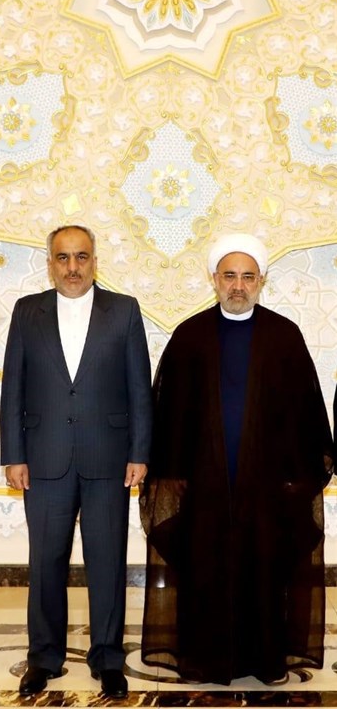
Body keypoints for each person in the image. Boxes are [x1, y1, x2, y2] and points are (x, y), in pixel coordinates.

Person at [140, 232, 334, 686]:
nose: (238, 285)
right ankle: (205, 660)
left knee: (262, 572)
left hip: (264, 485)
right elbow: (168, 409)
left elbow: (306, 411)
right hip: (204, 484)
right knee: (205, 572)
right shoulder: (190, 336)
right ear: (214, 279)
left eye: (248, 276)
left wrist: (297, 476)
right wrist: (172, 472)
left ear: (262, 280)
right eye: (229, 275)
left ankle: (262, 660)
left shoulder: (284, 336)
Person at [0, 224, 152, 698]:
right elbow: (13, 388)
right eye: (63, 258)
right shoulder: (27, 311)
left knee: (107, 563)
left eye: (81, 257)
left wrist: (140, 453)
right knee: (45, 563)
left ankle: (108, 658)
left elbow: (139, 388)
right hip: (43, 459)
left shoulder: (124, 310)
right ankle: (44, 657)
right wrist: (13, 455)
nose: (72, 267)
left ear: (94, 262)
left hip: (109, 459)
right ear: (50, 263)